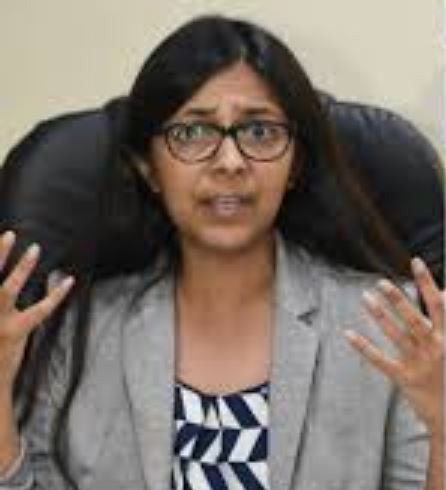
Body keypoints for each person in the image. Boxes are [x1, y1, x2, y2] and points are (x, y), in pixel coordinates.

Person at [0, 14, 443, 490]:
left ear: (295, 162)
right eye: (193, 133)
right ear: (147, 166)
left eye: (259, 132)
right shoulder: (78, 324)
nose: (230, 162)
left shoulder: (387, 327)